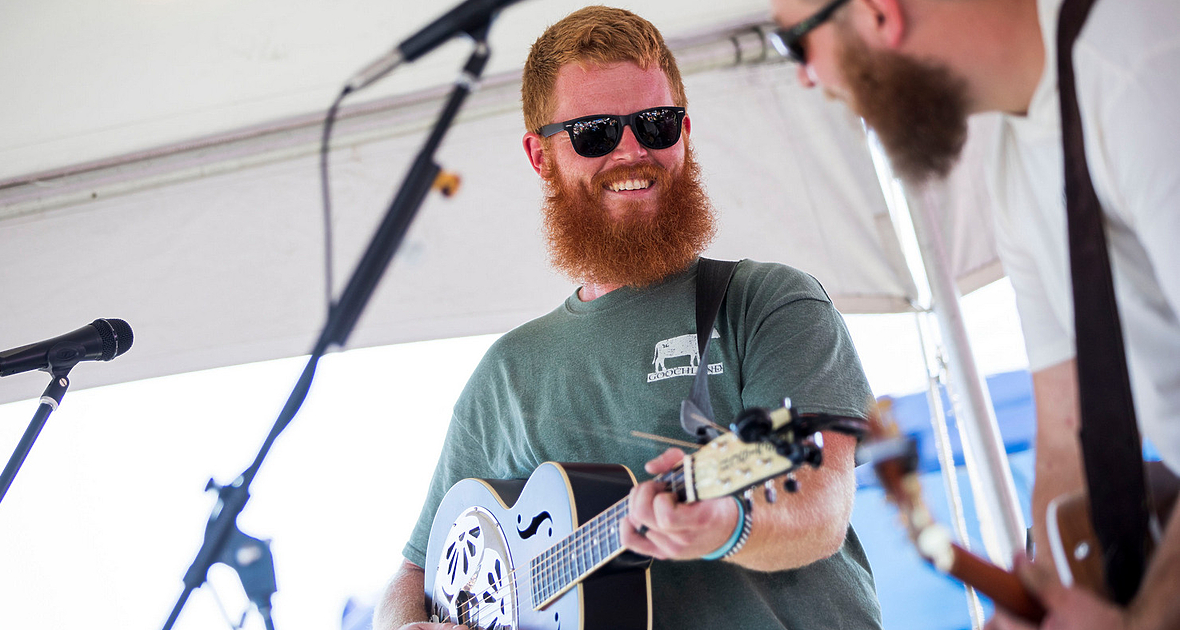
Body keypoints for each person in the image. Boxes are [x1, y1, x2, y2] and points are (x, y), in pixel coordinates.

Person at [373, 6, 884, 630]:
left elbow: (818, 509)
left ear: (685, 132)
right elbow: (413, 576)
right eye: (594, 133)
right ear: (541, 156)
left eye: (656, 124)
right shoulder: (505, 375)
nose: (632, 151)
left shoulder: (767, 303)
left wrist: (727, 524)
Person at [764, 0, 1180, 628]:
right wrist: (1046, 591)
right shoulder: (1015, 162)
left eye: (796, 44)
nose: (805, 77)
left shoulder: (1143, 68)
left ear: (880, 14)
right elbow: (1066, 435)